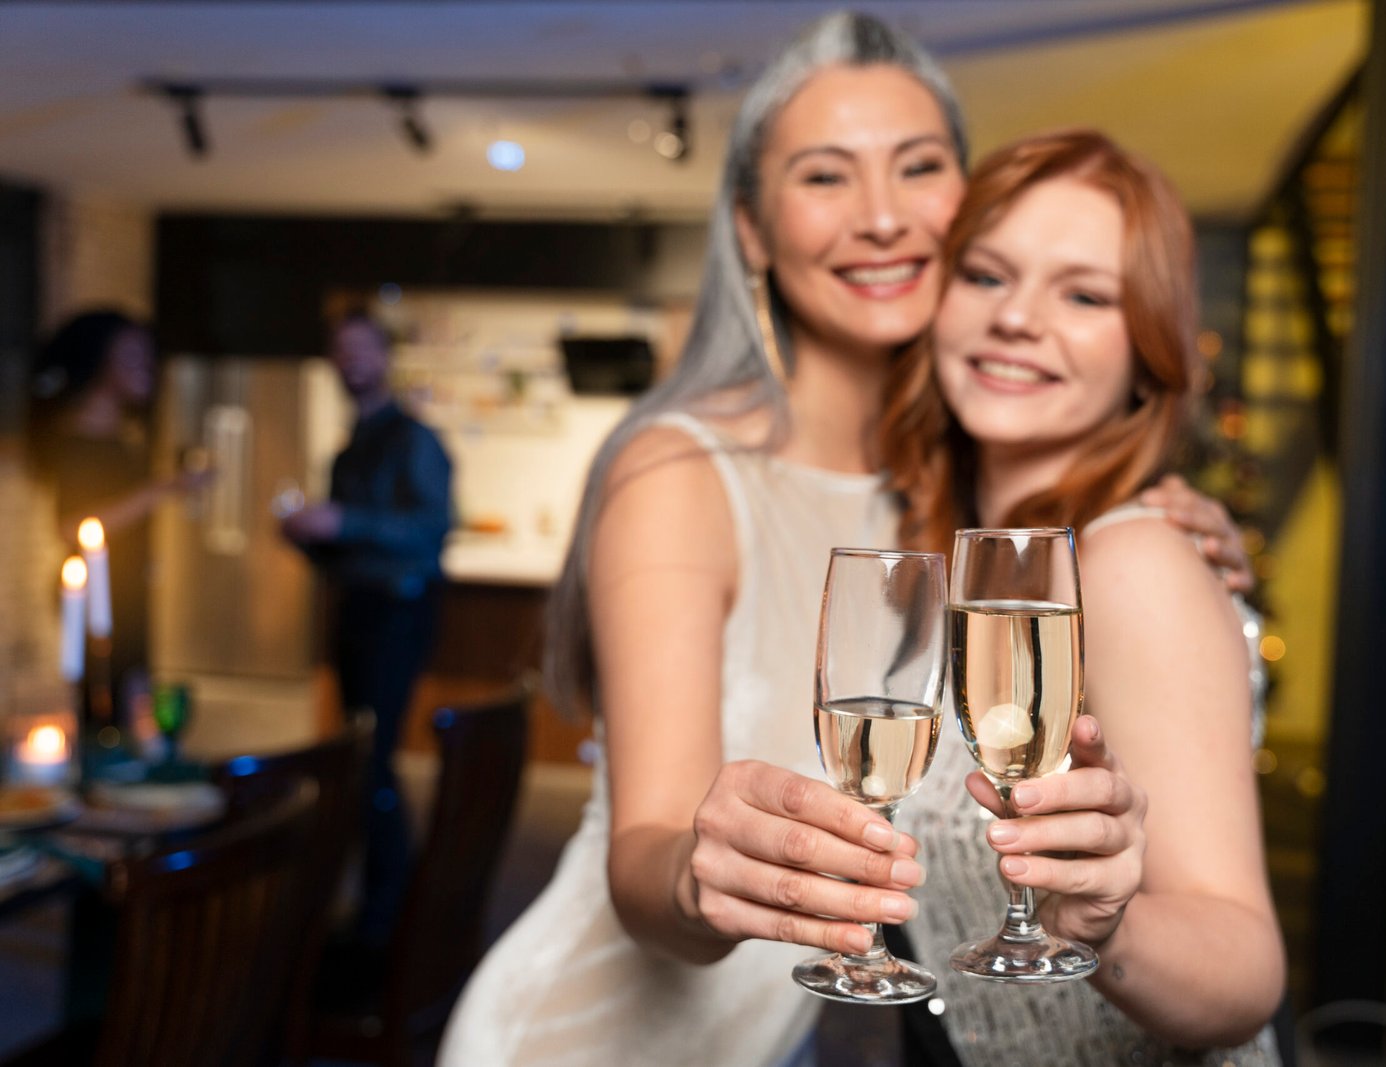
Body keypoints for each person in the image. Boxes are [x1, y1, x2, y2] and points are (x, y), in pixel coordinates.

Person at [441, 15, 1248, 1067]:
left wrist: (1159, 521)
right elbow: (641, 853)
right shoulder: (680, 470)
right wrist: (697, 871)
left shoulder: (950, 492)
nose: (879, 217)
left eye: (918, 168)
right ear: (750, 230)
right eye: (825, 177)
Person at [880, 128, 1284, 1065]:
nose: (1018, 317)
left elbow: (1245, 966)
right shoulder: (951, 557)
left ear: (1148, 353)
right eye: (986, 275)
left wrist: (1105, 929)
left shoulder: (1130, 564)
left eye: (1085, 294)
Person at [280, 310, 452, 946]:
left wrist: (346, 522)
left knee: (374, 760)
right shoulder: (349, 448)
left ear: (384, 357)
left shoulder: (414, 440)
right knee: (360, 760)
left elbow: (431, 529)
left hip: (398, 612)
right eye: (340, 350)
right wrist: (306, 537)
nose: (350, 360)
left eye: (361, 349)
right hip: (356, 608)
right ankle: (377, 903)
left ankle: (389, 914)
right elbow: (342, 553)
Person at [28, 309, 210, 721]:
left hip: (128, 589)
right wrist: (165, 488)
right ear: (100, 362)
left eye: (148, 356)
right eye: (132, 357)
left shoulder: (121, 434)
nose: (146, 367)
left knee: (134, 704)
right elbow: (74, 526)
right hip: (95, 590)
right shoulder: (79, 437)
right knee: (105, 704)